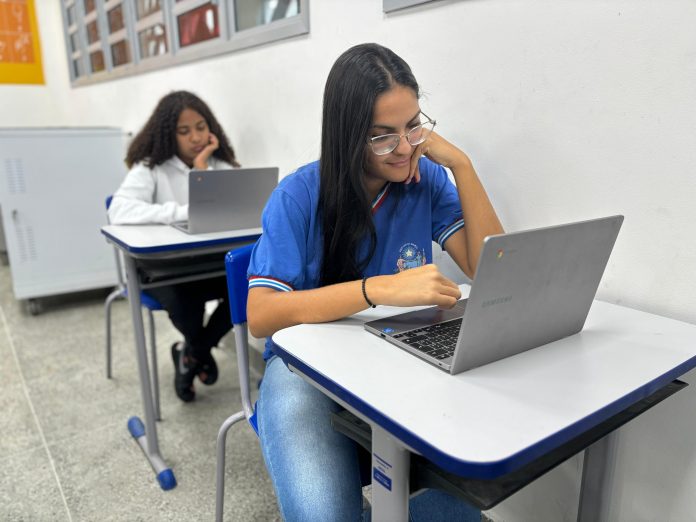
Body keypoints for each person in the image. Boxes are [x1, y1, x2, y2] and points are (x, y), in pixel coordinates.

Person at [246, 43, 504, 521]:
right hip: (305, 373)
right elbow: (262, 316)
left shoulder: (423, 177)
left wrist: (462, 166)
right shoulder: (298, 196)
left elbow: (490, 267)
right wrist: (376, 290)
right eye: (383, 137)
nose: (405, 148)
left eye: (413, 126)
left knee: (466, 511)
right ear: (347, 136)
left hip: (398, 357)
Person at [108, 90, 240, 403]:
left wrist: (202, 168)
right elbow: (119, 210)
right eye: (184, 131)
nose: (195, 136)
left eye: (200, 126)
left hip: (208, 262)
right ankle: (199, 350)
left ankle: (190, 352)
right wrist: (180, 212)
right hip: (163, 269)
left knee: (245, 288)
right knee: (185, 301)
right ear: (169, 133)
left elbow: (236, 204)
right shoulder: (150, 166)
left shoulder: (216, 163)